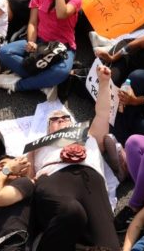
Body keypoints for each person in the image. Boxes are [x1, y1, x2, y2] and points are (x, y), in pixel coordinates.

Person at [28, 66, 119, 251]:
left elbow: (102, 113)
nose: (60, 119)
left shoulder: (90, 135)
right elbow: (28, 176)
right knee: (70, 211)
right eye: (54, 119)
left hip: (91, 182)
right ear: (47, 128)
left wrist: (103, 83)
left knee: (109, 247)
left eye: (64, 117)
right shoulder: (37, 146)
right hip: (54, 178)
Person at [0, 0, 83, 95]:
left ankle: (18, 85)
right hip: (40, 41)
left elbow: (61, 13)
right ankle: (43, 81)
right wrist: (31, 41)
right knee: (3, 52)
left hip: (63, 46)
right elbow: (33, 23)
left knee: (61, 72)